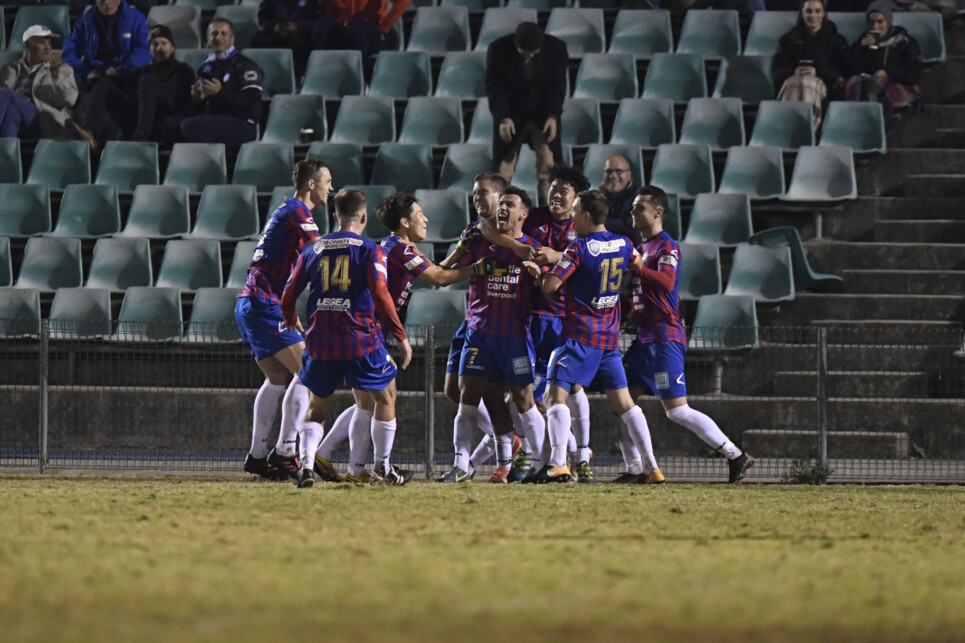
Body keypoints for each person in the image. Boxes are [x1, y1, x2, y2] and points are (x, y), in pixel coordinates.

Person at [311, 191, 506, 483]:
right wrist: (477, 268)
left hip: (363, 327)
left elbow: (439, 269)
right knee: (381, 397)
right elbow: (439, 279)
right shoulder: (399, 250)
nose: (425, 218)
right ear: (404, 222)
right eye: (419, 215)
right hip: (368, 329)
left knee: (366, 401)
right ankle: (374, 468)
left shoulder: (401, 247)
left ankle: (335, 461)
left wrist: (462, 249)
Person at [618, 185, 754, 484]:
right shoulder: (642, 249)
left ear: (658, 212)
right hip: (643, 340)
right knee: (623, 403)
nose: (633, 212)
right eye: (633, 207)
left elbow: (666, 283)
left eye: (640, 207)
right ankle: (635, 468)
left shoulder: (667, 247)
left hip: (665, 339)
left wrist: (639, 268)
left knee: (676, 412)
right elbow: (641, 294)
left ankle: (735, 454)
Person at [280, 188, 414, 488]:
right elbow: (380, 293)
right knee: (386, 395)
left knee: (317, 407)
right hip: (359, 339)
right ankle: (383, 467)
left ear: (334, 215)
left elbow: (288, 293)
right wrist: (400, 336)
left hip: (320, 339)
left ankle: (307, 466)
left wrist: (289, 316)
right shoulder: (370, 249)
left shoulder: (312, 249)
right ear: (364, 217)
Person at [529, 189, 662, 484]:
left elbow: (551, 286)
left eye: (575, 212)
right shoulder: (625, 243)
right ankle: (652, 467)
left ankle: (557, 463)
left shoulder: (578, 248)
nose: (572, 217)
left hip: (580, 336)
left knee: (554, 396)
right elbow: (638, 265)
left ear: (587, 216)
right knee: (626, 404)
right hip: (609, 339)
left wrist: (539, 275)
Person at [479, 164, 592, 482]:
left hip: (566, 317)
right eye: (553, 188)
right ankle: (543, 454)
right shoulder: (535, 216)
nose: (555, 194)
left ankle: (579, 454)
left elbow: (592, 265)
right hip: (532, 317)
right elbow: (487, 228)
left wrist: (558, 257)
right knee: (527, 391)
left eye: (563, 191)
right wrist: (518, 247)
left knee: (570, 386)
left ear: (577, 198)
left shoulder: (583, 228)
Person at [438, 186, 546, 484]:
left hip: (514, 337)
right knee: (468, 396)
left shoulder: (535, 249)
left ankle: (538, 462)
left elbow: (548, 295)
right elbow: (448, 270)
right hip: (479, 332)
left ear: (523, 213)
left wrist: (539, 279)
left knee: (524, 400)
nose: (503, 209)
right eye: (502, 204)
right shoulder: (479, 238)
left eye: (510, 205)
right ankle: (461, 465)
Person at [235, 159, 327, 481]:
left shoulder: (285, 213)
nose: (332, 186)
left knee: (276, 378)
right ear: (311, 185)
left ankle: (258, 456)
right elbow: (320, 252)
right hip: (262, 303)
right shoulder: (299, 212)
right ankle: (286, 451)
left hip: (252, 302)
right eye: (327, 181)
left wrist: (289, 307)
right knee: (310, 372)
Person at [485, 22, 568, 206]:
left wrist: (553, 115)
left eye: (534, 53)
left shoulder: (557, 49)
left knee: (549, 169)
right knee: (502, 173)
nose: (530, 56)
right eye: (525, 53)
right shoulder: (499, 49)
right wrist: (503, 117)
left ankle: (550, 218)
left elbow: (558, 87)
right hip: (512, 116)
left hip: (543, 116)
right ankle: (499, 218)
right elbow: (495, 88)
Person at [62, 0, 151, 142]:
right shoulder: (86, 21)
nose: (106, 2)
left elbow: (143, 51)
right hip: (96, 75)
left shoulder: (135, 18)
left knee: (100, 86)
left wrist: (121, 69)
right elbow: (69, 51)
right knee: (91, 84)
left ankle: (91, 134)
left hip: (125, 79)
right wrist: (86, 71)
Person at [0, 26, 93, 142]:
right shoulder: (11, 69)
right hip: (21, 120)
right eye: (41, 42)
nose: (47, 48)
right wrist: (16, 98)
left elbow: (70, 99)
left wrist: (55, 73)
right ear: (28, 45)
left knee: (5, 93)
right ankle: (7, 155)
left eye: (49, 42)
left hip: (43, 121)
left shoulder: (63, 69)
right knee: (12, 113)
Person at [181, 19, 264, 146]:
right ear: (208, 38)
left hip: (241, 123)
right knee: (169, 126)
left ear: (232, 39)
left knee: (190, 126)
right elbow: (202, 106)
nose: (218, 37)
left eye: (223, 33)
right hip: (213, 118)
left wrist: (220, 93)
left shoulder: (246, 66)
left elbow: (251, 104)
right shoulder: (207, 65)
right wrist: (198, 99)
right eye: (214, 33)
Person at [772, 0, 850, 129]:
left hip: (824, 89)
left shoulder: (836, 41)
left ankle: (808, 130)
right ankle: (789, 129)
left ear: (823, 14)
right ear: (802, 14)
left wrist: (818, 72)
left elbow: (843, 72)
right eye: (808, 11)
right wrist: (793, 71)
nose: (813, 15)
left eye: (817, 11)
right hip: (792, 85)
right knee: (796, 82)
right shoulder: (788, 40)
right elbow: (776, 71)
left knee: (808, 84)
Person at [844, 0, 923, 123]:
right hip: (869, 86)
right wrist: (861, 48)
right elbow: (849, 70)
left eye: (880, 21)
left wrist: (888, 73)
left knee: (873, 85)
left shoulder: (905, 42)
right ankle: (854, 124)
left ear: (888, 21)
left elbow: (914, 72)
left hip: (897, 85)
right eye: (871, 22)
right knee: (855, 82)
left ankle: (875, 124)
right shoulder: (862, 42)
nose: (875, 27)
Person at [130, 25, 195, 145]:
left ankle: (142, 133)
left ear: (172, 47)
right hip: (144, 119)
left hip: (169, 118)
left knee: (146, 81)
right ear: (149, 49)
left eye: (164, 43)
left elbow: (188, 105)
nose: (159, 48)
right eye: (155, 44)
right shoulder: (142, 71)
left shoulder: (183, 70)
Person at [251, 0, 325, 78]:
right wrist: (275, 27)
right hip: (276, 31)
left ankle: (298, 77)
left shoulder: (311, 2)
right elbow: (263, 18)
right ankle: (260, 76)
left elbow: (316, 21)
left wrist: (297, 26)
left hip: (301, 32)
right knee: (259, 39)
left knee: (298, 41)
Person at [321, 0, 410, 59]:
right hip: (347, 34)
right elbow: (332, 16)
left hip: (377, 32)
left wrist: (386, 26)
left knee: (356, 24)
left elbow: (403, 1)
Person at [599, 154, 642, 247]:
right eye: (608, 171)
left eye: (618, 171)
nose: (613, 176)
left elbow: (633, 232)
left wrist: (600, 223)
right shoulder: (597, 198)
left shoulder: (640, 200)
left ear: (629, 175)